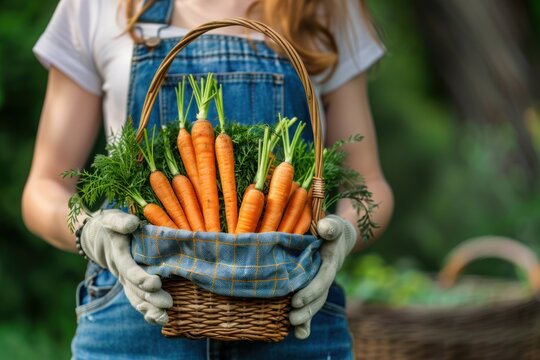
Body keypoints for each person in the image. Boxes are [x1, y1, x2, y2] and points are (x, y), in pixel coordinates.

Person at [21, 0, 394, 358]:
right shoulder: (96, 4)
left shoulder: (326, 4)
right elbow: (44, 187)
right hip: (133, 320)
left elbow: (369, 184)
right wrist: (90, 231)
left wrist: (344, 233)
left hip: (293, 314)